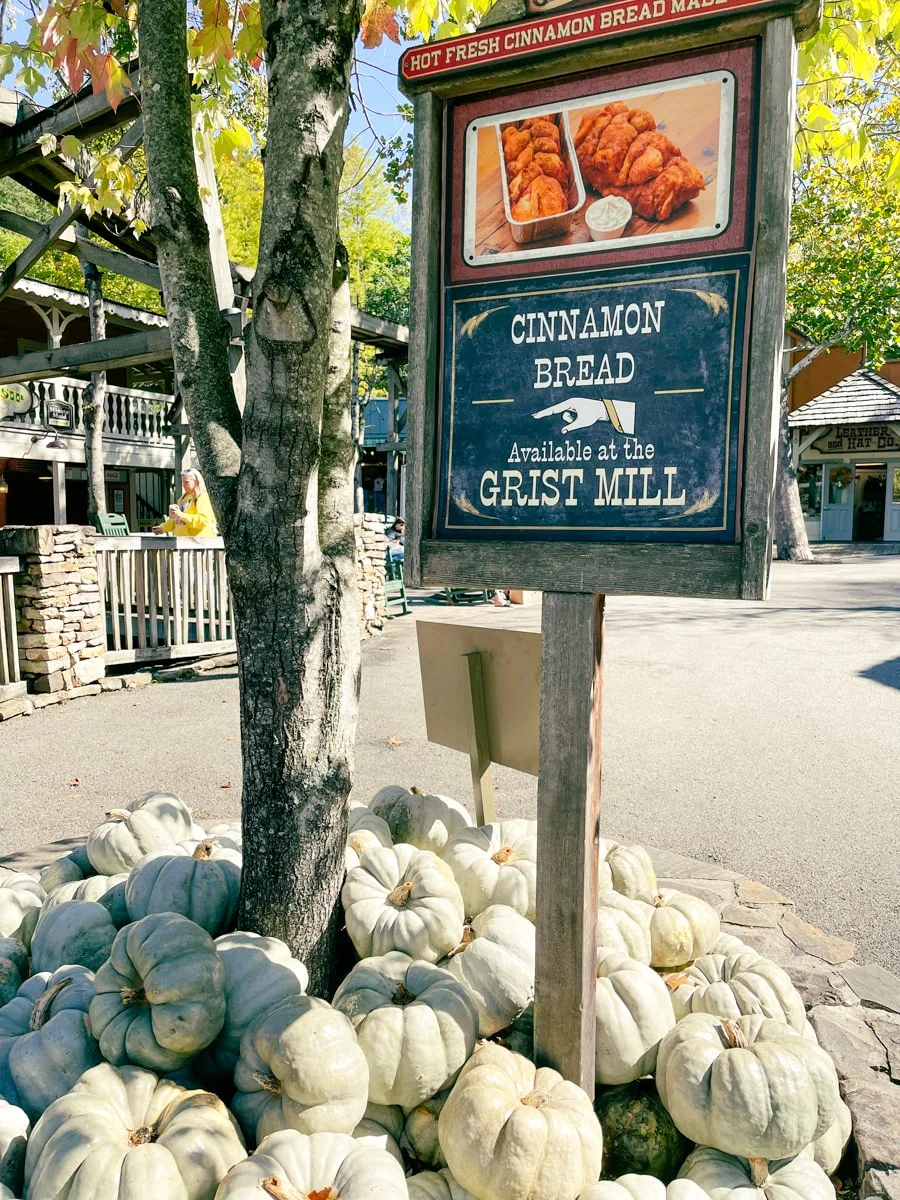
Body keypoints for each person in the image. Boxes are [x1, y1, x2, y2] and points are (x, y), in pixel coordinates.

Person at [153, 468, 218, 537]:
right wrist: (163, 527)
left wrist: (181, 515)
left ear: (196, 482)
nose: (183, 485)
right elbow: (176, 520)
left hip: (199, 543)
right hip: (183, 543)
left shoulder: (203, 497)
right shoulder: (183, 498)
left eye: (186, 482)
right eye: (182, 482)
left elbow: (204, 521)